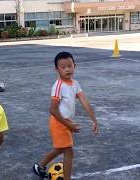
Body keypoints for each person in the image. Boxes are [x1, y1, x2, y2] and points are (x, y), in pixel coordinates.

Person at [33, 52, 98, 180]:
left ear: (75, 66)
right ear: (56, 69)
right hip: (59, 122)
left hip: (66, 122)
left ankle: (39, 166)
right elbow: (53, 110)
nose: (67, 69)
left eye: (69, 66)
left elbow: (84, 101)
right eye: (63, 67)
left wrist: (94, 119)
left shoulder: (75, 83)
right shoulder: (58, 86)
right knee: (69, 152)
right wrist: (68, 125)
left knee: (59, 149)